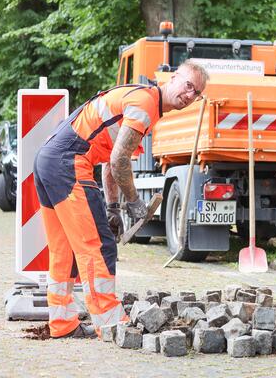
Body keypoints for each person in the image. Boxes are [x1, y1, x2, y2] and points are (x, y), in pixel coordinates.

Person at [33, 61, 209, 338]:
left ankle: (62, 323)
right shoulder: (146, 103)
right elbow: (119, 161)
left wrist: (113, 207)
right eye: (188, 85)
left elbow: (109, 161)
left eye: (196, 93)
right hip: (69, 162)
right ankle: (111, 323)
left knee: (64, 248)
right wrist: (134, 202)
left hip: (48, 160)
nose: (190, 95)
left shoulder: (140, 99)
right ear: (173, 77)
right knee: (98, 245)